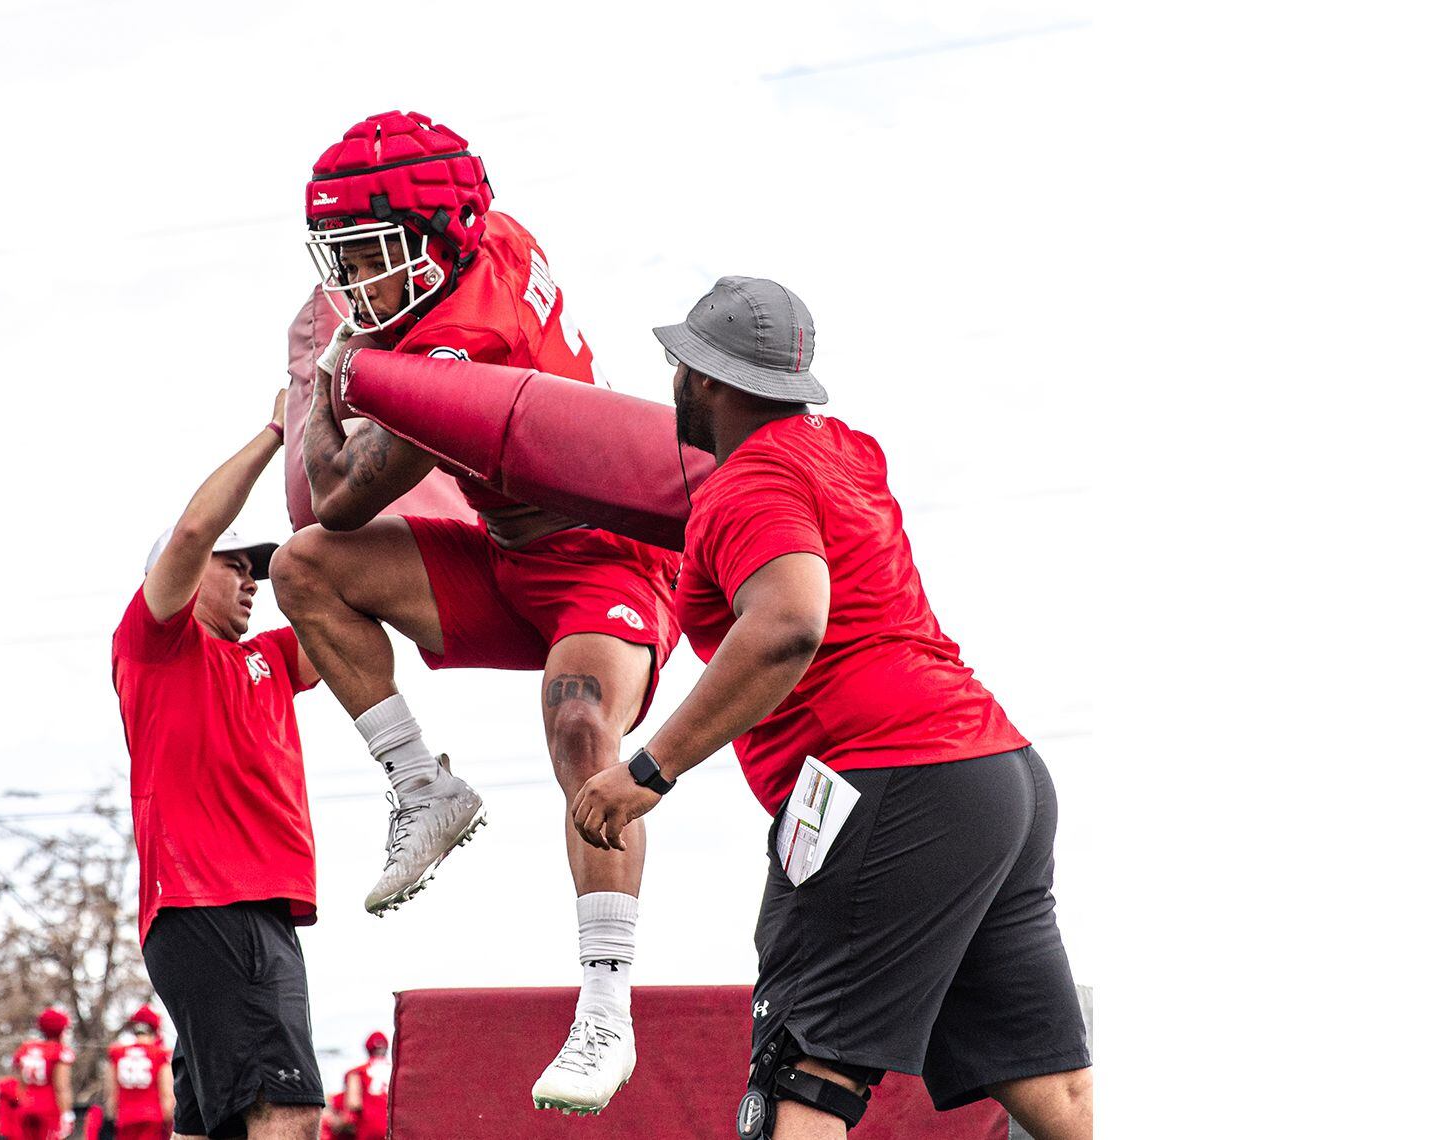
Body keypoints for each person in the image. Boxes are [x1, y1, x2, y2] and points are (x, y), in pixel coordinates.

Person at [571, 278, 1094, 1140]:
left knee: (801, 1079)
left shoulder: (745, 486)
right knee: (1052, 1087)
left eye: (678, 365)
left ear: (706, 379)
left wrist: (648, 769)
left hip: (888, 784)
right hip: (998, 776)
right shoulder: (846, 451)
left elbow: (788, 622)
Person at [272, 109, 679, 1115]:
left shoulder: (455, 343)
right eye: (345, 257)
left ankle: (605, 1006)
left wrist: (318, 384)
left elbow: (339, 490)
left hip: (602, 562)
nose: (354, 286)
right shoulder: (489, 236)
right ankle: (425, 790)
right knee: (305, 570)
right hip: (507, 555)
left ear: (438, 240)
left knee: (583, 727)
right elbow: (325, 533)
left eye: (372, 256)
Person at [112, 387, 327, 1140]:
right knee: (288, 1115)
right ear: (186, 570)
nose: (250, 582)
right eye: (233, 565)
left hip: (244, 913)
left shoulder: (266, 658)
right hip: (215, 908)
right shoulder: (156, 643)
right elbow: (197, 523)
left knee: (210, 1128)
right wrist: (280, 430)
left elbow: (349, 604)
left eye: (252, 570)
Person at [105, 1004, 174, 1140]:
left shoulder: (117, 1052)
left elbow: (111, 1091)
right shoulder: (160, 1054)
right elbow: (166, 1093)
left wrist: (111, 1116)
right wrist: (169, 1121)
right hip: (152, 1117)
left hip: (125, 1117)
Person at [11, 1007, 76, 1140]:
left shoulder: (25, 1048)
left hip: (26, 1108)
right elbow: (61, 1087)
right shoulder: (59, 1051)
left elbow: (20, 1086)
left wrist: (21, 1104)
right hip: (49, 1109)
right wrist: (66, 1114)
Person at [338, 1031, 390, 1140]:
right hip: (393, 1127)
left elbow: (354, 1103)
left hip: (370, 1129)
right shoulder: (397, 1072)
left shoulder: (356, 1072)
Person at [0, 1075, 24, 1140]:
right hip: (12, 1128)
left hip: (4, 1127)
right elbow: (17, 1098)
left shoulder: (2, 1092)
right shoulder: (12, 1090)